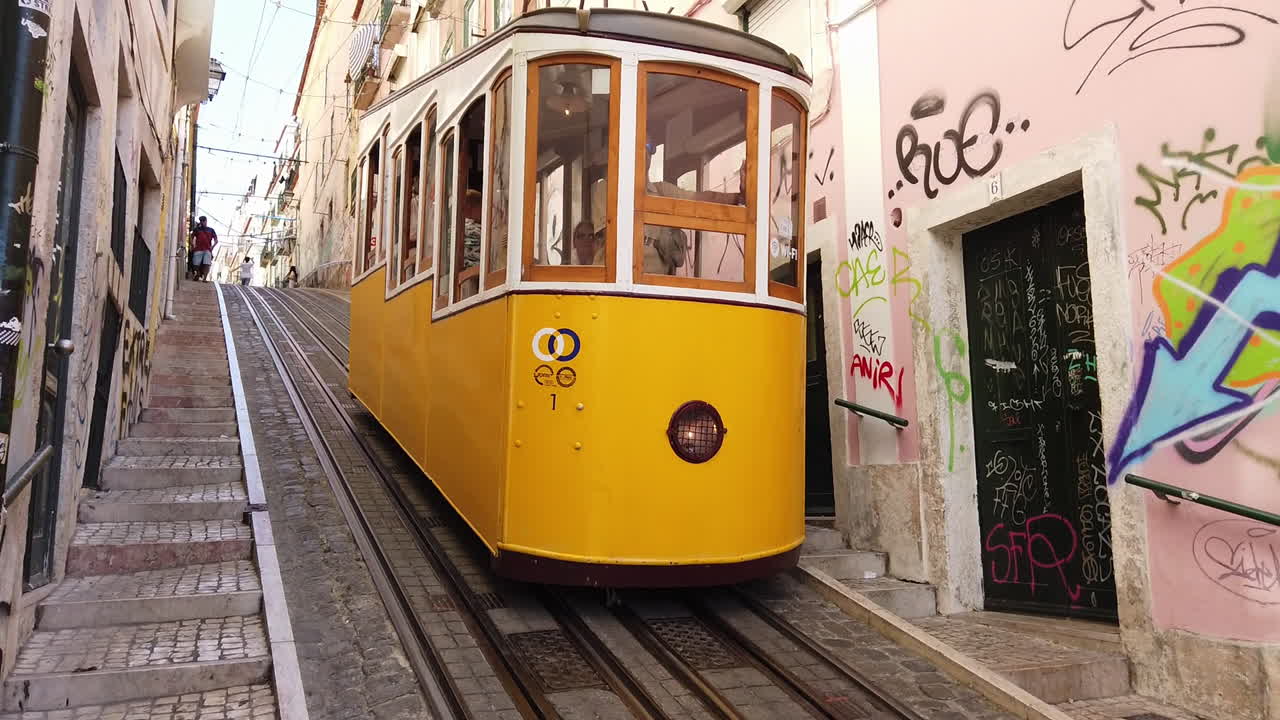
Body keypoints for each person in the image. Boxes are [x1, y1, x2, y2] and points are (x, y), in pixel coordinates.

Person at [640, 141, 744, 276]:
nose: (645, 150)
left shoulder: (663, 191)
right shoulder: (605, 191)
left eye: (649, 146)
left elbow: (704, 199)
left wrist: (741, 197)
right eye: (639, 142)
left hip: (656, 288)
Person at [190, 217, 218, 281]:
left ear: (206, 221)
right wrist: (192, 244)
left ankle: (204, 278)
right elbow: (191, 236)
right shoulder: (197, 229)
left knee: (207, 264)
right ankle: (198, 274)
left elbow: (216, 240)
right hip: (198, 248)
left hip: (207, 249)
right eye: (201, 221)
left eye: (203, 221)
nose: (202, 222)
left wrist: (212, 247)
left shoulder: (211, 230)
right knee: (195, 264)